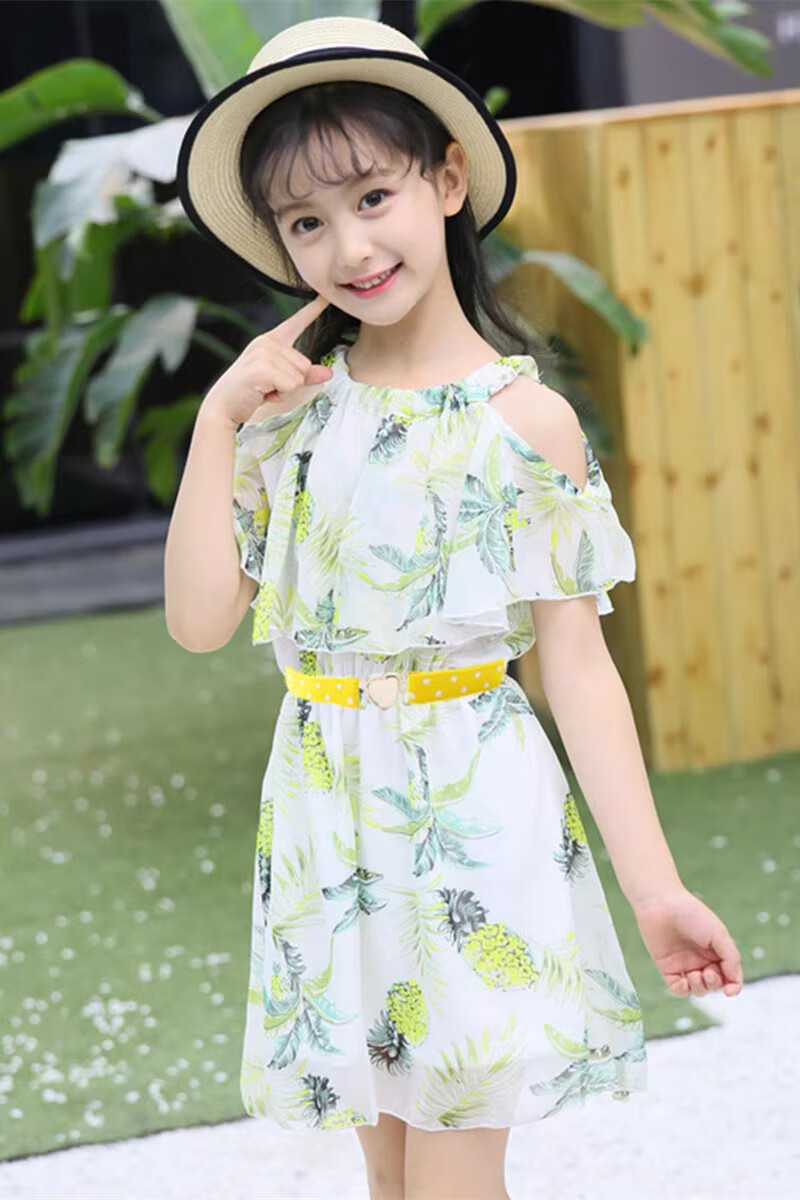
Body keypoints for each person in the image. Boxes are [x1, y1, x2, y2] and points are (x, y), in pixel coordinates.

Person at [167, 15, 744, 1200]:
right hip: (325, 823)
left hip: (472, 818)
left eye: (371, 196)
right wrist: (217, 423)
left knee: (449, 1177)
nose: (348, 245)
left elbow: (574, 667)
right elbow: (200, 621)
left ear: (445, 180)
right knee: (391, 1175)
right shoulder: (284, 416)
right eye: (305, 222)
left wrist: (652, 888)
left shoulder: (522, 423)